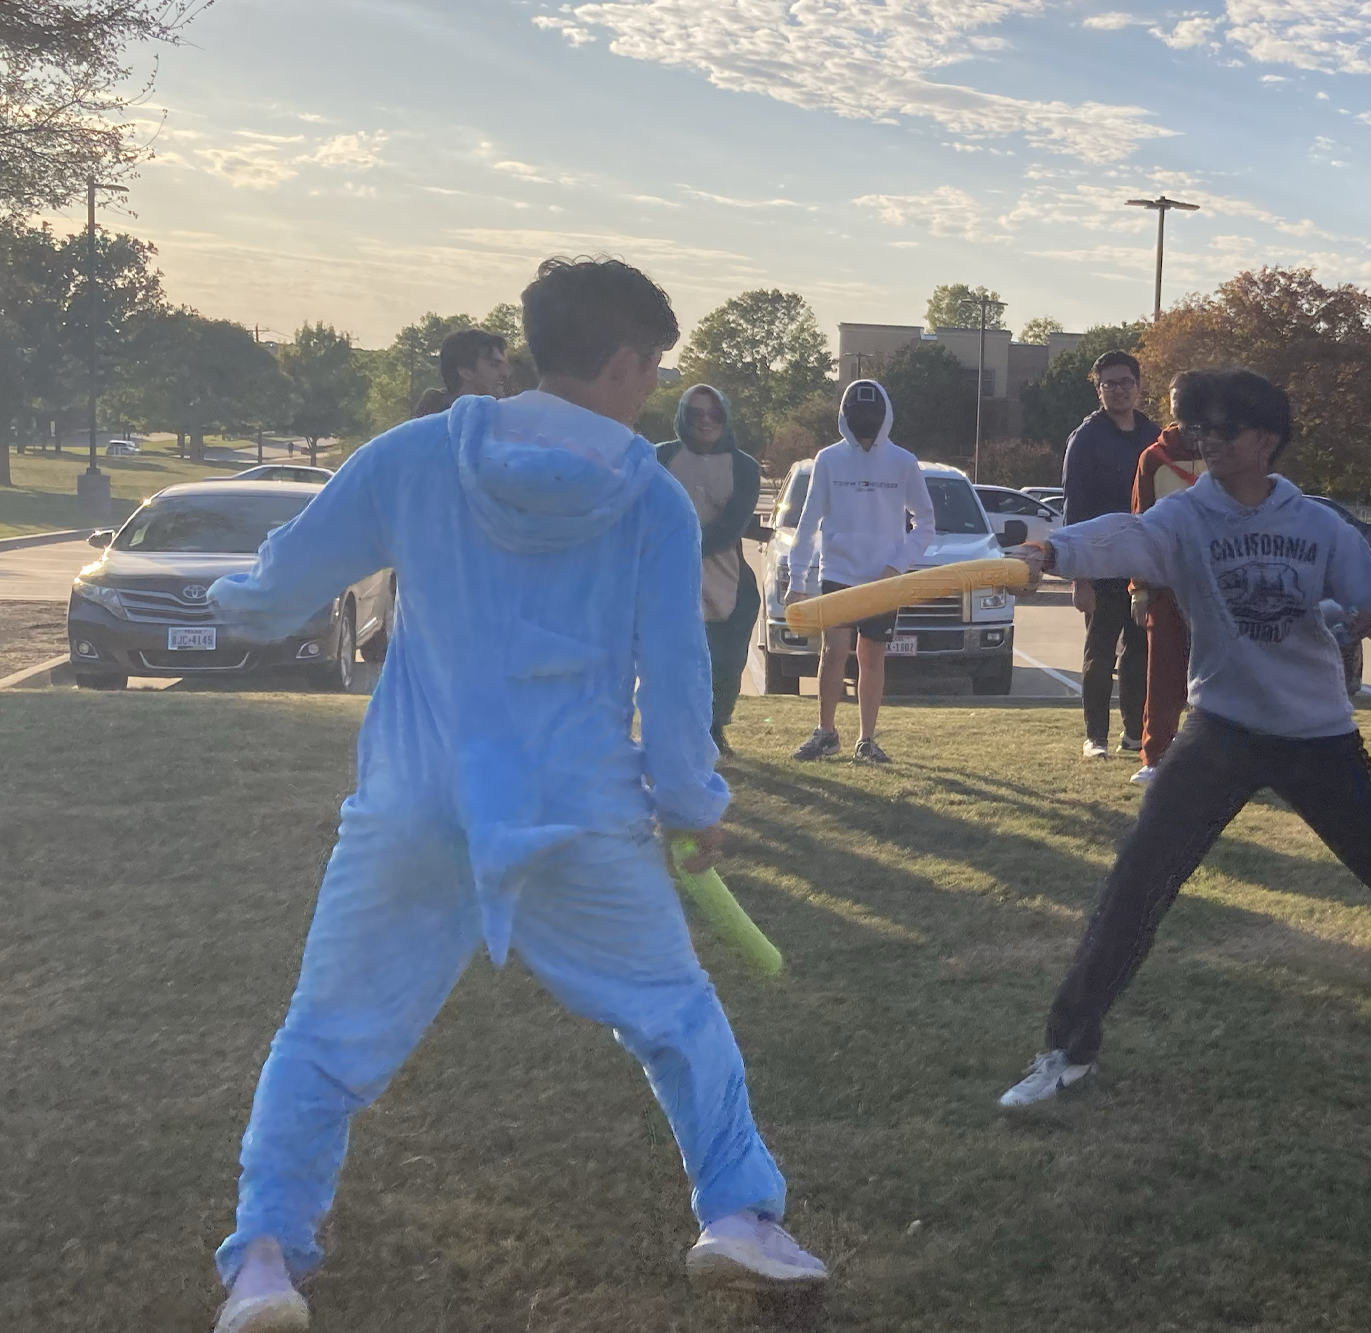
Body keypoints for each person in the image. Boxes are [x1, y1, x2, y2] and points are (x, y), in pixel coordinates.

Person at [202, 258, 825, 1333]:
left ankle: (265, 1255)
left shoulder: (414, 456)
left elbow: (274, 592)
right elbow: (676, 684)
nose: (653, 389)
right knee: (675, 1016)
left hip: (415, 801)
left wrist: (232, 597)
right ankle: (737, 1212)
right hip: (579, 810)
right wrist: (693, 803)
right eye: (654, 369)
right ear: (626, 360)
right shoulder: (652, 499)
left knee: (325, 1032)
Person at [996, 368, 1371, 1108]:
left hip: (1315, 731)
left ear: (1267, 439)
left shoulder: (1319, 524)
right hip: (1222, 728)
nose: (1210, 444)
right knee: (1137, 882)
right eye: (1202, 431)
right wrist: (1050, 552)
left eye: (1225, 431)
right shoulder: (1187, 517)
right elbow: (1123, 536)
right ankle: (1068, 1050)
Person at [787, 379, 936, 766]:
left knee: (872, 657)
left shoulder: (903, 462)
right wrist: (797, 579)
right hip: (838, 570)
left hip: (883, 577)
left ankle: (866, 740)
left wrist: (897, 566)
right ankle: (826, 733)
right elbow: (808, 521)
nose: (867, 439)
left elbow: (926, 522)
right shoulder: (829, 460)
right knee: (833, 652)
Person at [657, 383, 762, 756]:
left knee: (724, 662)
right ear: (683, 417)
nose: (705, 421)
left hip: (728, 583)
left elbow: (731, 527)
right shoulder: (659, 458)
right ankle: (674, 732)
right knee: (673, 662)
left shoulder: (745, 467)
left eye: (713, 413)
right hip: (668, 581)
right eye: (695, 413)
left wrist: (674, 543)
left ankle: (716, 728)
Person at [1060, 350, 1155, 759]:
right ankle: (1094, 737)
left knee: (1140, 653)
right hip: (1099, 563)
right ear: (1098, 389)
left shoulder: (1153, 435)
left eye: (1125, 383)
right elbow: (1074, 509)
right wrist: (1079, 578)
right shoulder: (1085, 438)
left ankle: (1134, 735)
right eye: (1109, 384)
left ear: (1138, 386)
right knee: (1100, 652)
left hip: (1143, 564)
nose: (1118, 391)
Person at [1127, 371, 1207, 785]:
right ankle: (1155, 756)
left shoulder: (1225, 449)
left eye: (1189, 398)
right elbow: (1142, 524)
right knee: (1162, 675)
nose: (1181, 405)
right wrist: (1139, 588)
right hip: (1166, 582)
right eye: (1176, 398)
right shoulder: (1153, 458)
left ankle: (1213, 761)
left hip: (1216, 583)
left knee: (1215, 675)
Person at [412, 328, 510, 416]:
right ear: (465, 372)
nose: (505, 374)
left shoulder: (507, 416)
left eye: (504, 365)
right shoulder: (432, 419)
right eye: (493, 365)